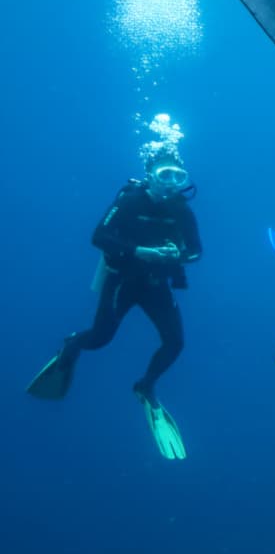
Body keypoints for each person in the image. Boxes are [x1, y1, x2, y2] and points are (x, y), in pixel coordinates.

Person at [27, 148, 202, 460]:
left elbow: (197, 252)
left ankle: (145, 387)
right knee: (100, 339)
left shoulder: (182, 211)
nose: (171, 184)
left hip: (155, 285)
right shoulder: (131, 200)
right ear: (150, 175)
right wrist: (139, 251)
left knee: (175, 343)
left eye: (178, 177)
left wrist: (178, 256)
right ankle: (71, 346)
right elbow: (99, 236)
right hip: (122, 279)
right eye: (165, 175)